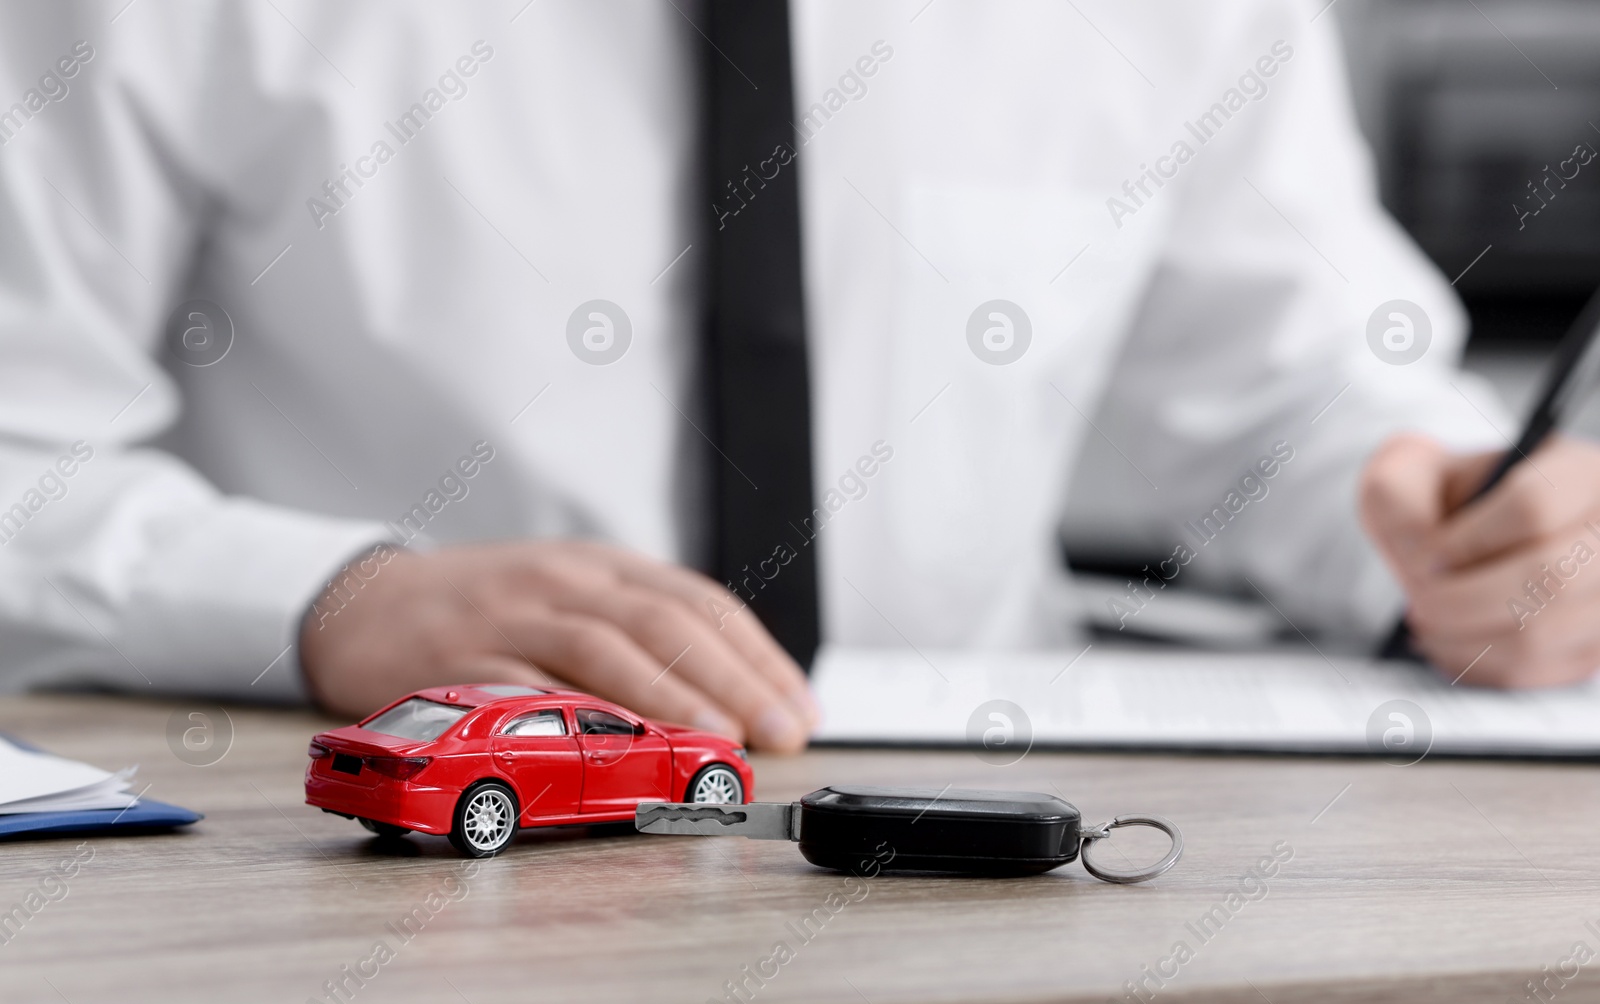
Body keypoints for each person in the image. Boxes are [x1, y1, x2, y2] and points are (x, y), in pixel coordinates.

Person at [2, 0, 1596, 755]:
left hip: (1008, 849)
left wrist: (1472, 528)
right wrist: (331, 602)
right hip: (377, 838)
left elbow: (1298, 405)